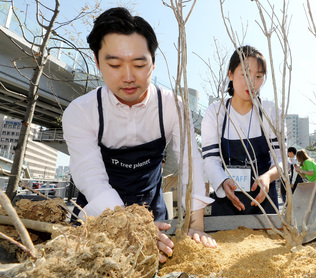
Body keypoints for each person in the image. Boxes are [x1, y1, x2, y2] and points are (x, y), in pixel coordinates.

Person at [62, 7, 216, 263]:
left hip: (153, 213)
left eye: (139, 64)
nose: (129, 76)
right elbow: (91, 179)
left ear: (153, 63)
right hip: (100, 216)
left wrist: (196, 225)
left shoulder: (172, 107)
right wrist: (133, 230)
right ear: (97, 62)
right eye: (114, 64)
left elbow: (191, 162)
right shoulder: (81, 112)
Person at [201, 45, 282, 216]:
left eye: (258, 76)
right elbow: (210, 159)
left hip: (264, 200)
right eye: (245, 74)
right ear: (230, 74)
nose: (252, 82)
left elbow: (281, 161)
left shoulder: (269, 111)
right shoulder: (216, 112)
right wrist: (223, 182)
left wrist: (268, 177)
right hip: (226, 200)